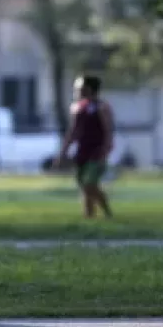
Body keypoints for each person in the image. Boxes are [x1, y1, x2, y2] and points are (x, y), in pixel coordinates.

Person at [56, 75, 114, 219]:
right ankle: (89, 215)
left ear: (89, 89)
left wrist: (106, 149)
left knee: (90, 183)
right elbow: (73, 131)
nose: (76, 90)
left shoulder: (101, 107)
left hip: (97, 150)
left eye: (79, 88)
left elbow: (108, 129)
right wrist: (64, 151)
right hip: (82, 151)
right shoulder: (76, 107)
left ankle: (107, 212)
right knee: (84, 186)